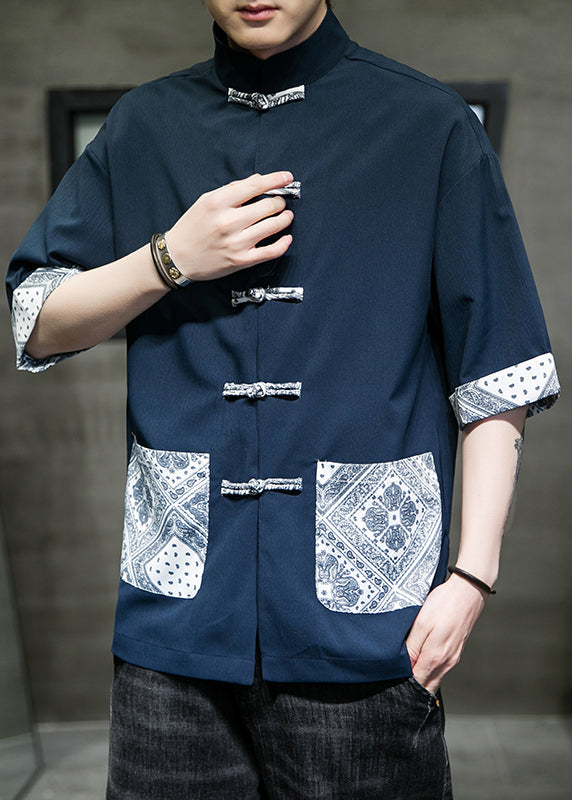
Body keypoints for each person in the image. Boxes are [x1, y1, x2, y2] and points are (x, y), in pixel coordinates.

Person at [6, 1, 560, 797]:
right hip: (174, 634)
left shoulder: (429, 124)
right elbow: (34, 320)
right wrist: (170, 257)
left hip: (367, 626)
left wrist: (471, 580)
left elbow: (498, 374)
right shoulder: (144, 125)